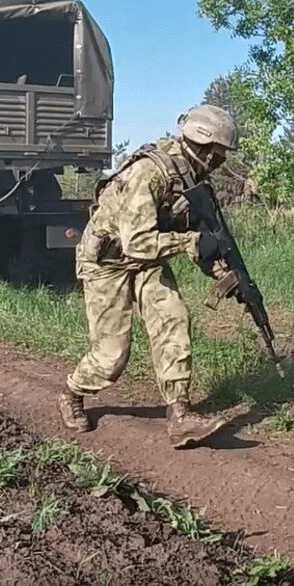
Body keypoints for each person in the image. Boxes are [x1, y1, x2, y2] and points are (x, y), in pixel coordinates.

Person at [57, 104, 239, 448]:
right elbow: (138, 243)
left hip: (145, 260)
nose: (221, 162)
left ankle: (180, 414)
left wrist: (222, 272)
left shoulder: (193, 179)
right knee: (112, 356)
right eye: (219, 154)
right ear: (202, 145)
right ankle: (72, 393)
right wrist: (189, 242)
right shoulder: (150, 174)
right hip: (107, 263)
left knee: (173, 319)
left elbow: (199, 236)